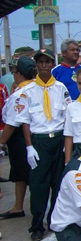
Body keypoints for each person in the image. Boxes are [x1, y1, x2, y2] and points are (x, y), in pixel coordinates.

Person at [16, 49, 72, 241]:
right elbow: (24, 121)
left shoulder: (61, 88)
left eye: (47, 62)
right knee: (39, 186)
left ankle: (54, 220)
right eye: (40, 62)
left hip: (58, 140)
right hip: (39, 141)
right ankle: (37, 225)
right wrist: (29, 147)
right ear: (36, 66)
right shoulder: (27, 91)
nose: (44, 65)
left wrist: (67, 143)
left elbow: (66, 117)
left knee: (58, 184)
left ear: (51, 64)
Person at [0, 56, 35, 219]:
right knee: (19, 174)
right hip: (30, 136)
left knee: (26, 174)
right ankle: (17, 206)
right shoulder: (36, 88)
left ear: (19, 73)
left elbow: (12, 122)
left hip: (20, 137)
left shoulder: (21, 93)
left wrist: (1, 143)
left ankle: (32, 208)